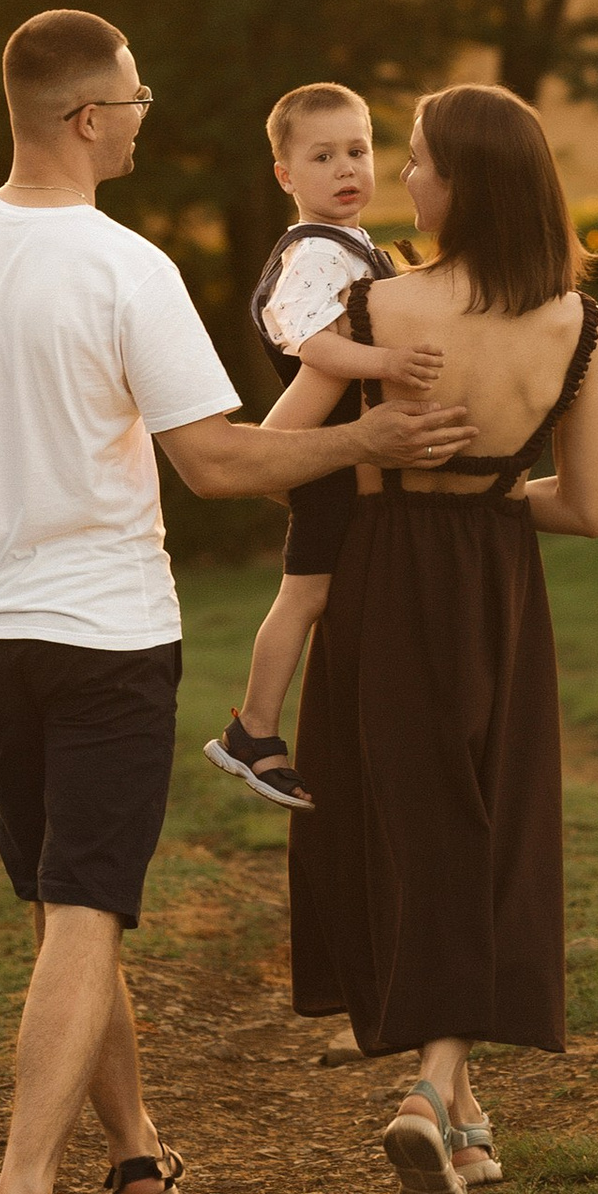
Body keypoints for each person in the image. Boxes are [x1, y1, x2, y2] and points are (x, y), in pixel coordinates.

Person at [0, 8, 477, 1194]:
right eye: (134, 96)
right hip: (106, 634)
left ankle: (131, 1146)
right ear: (89, 118)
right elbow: (217, 459)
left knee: (64, 901)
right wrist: (367, 443)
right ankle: (23, 1192)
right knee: (86, 903)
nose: (145, 112)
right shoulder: (125, 265)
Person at [283, 80, 598, 1194]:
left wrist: (372, 449)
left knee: (415, 824)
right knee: (484, 821)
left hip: (383, 577)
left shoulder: (377, 308)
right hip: (497, 583)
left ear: (463, 181)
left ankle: (428, 1090)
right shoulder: (580, 321)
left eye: (418, 158)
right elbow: (585, 507)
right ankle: (464, 1115)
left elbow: (280, 453)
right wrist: (487, 498)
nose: (402, 176)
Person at [203, 83, 440, 816]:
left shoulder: (354, 246)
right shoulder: (312, 253)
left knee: (331, 594)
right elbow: (307, 339)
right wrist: (388, 366)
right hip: (324, 454)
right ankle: (253, 730)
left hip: (342, 452)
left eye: (360, 151)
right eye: (323, 155)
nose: (347, 168)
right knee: (303, 594)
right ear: (285, 176)